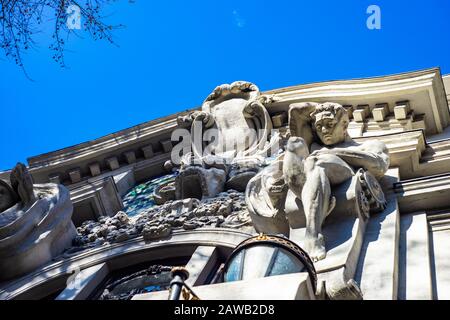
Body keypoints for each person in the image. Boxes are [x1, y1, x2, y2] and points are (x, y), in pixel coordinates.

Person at [284, 102, 389, 261]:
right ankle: (319, 205)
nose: (324, 130)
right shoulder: (314, 146)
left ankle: (313, 234)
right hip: (305, 181)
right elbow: (296, 112)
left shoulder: (368, 145)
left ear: (344, 124)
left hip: (338, 171)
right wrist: (320, 107)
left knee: (317, 162)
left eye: (329, 124)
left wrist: (331, 153)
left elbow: (379, 164)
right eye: (319, 127)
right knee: (295, 144)